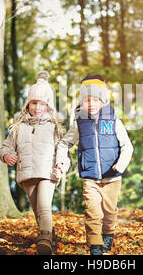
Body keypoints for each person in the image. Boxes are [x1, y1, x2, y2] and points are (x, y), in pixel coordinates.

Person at [54, 75, 134, 255]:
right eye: (87, 100)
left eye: (95, 99)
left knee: (109, 211)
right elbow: (65, 143)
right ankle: (95, 243)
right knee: (93, 212)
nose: (91, 103)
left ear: (102, 101)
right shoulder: (79, 123)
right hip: (90, 176)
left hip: (112, 176)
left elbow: (127, 146)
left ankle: (108, 234)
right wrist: (61, 161)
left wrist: (120, 165)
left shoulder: (113, 121)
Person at [0, 70, 64, 255]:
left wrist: (61, 166)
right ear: (28, 104)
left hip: (47, 172)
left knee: (44, 205)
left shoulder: (54, 127)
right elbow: (6, 147)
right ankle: (50, 237)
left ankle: (43, 238)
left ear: (48, 105)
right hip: (27, 173)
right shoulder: (19, 126)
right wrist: (7, 156)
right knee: (37, 209)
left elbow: (63, 151)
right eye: (33, 103)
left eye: (41, 103)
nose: (37, 107)